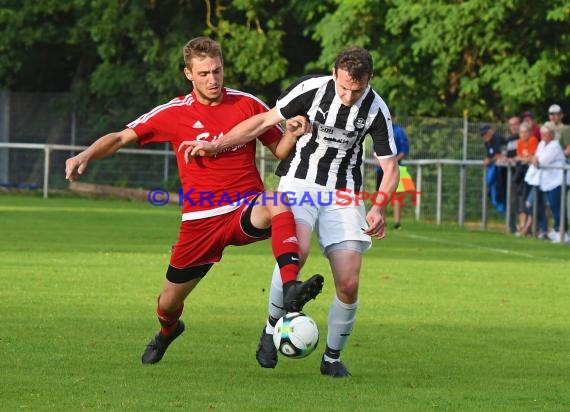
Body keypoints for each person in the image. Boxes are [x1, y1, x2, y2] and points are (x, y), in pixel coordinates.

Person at [64, 36, 325, 365]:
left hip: (245, 208)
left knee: (277, 198)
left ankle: (290, 288)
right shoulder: (174, 112)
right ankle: (168, 331)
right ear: (189, 74)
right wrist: (86, 154)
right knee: (168, 303)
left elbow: (280, 151)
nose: (213, 80)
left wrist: (293, 132)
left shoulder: (248, 105)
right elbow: (119, 137)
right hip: (200, 222)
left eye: (217, 71)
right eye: (203, 74)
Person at [180, 46, 399, 377]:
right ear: (335, 73)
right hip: (299, 182)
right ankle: (271, 330)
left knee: (349, 282)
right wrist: (216, 144)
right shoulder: (311, 89)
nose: (348, 95)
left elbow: (390, 166)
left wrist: (379, 206)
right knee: (296, 252)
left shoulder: (377, 109)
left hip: (343, 192)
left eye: (356, 90)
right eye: (342, 87)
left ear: (368, 80)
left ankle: (332, 359)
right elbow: (263, 122)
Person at [532, 123, 569, 243]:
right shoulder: (542, 144)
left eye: (546, 134)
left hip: (558, 180)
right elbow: (536, 157)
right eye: (542, 133)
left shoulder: (554, 145)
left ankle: (562, 232)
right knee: (553, 207)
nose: (543, 136)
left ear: (552, 134)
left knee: (557, 206)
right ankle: (557, 229)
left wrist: (536, 159)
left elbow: (541, 161)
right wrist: (535, 159)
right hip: (548, 181)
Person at [376, 108, 410, 229]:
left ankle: (397, 222)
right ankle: (381, 221)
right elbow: (376, 150)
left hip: (398, 168)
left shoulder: (398, 131)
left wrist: (393, 162)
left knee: (398, 196)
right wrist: (379, 161)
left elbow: (405, 149)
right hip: (381, 170)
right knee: (381, 195)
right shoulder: (380, 129)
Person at [515, 122, 539, 236]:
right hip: (524, 175)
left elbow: (532, 156)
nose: (523, 134)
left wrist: (526, 158)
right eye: (521, 132)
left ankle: (530, 228)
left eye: (525, 132)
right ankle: (523, 226)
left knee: (531, 200)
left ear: (530, 132)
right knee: (522, 199)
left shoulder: (533, 140)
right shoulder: (519, 142)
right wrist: (526, 158)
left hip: (532, 175)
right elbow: (520, 157)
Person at [480, 124, 507, 213]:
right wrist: (488, 159)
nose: (484, 136)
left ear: (492, 131)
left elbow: (501, 155)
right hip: (495, 173)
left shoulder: (497, 139)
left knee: (501, 192)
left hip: (502, 172)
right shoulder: (487, 142)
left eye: (486, 133)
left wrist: (490, 160)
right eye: (482, 134)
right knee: (491, 187)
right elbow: (490, 156)